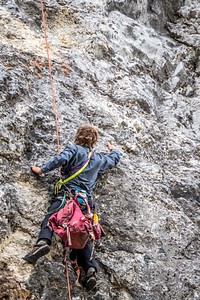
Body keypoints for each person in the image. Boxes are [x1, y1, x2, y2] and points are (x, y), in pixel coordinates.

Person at [23, 124, 121, 290]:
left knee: (52, 217)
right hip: (85, 203)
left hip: (67, 194)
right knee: (83, 231)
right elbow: (112, 161)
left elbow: (60, 159)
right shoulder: (97, 159)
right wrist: (114, 150)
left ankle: (43, 242)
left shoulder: (74, 149)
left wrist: (41, 170)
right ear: (94, 141)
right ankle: (90, 270)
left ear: (78, 136)